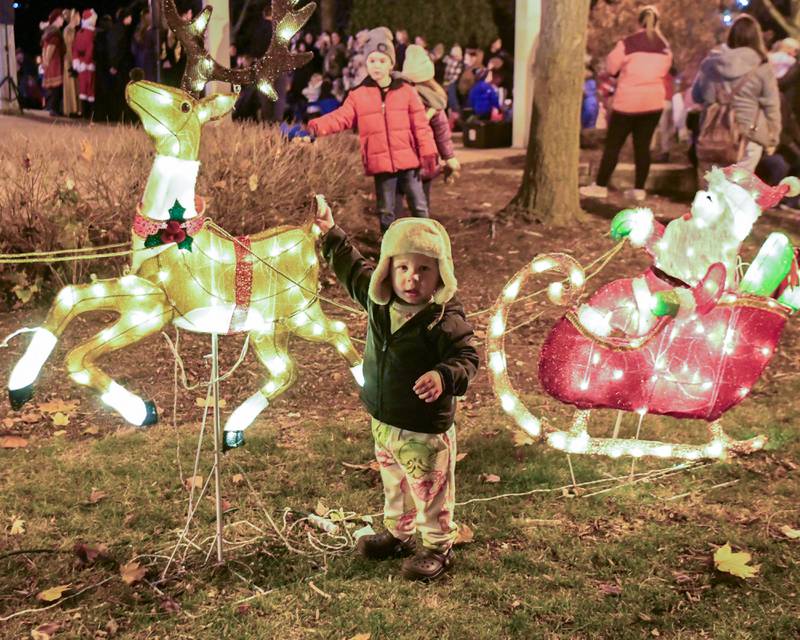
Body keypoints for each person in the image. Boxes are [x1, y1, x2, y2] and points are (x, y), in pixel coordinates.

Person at [314, 200, 479, 581]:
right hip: (384, 419)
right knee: (395, 481)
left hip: (424, 428)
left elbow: (467, 357)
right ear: (389, 269)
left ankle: (438, 546)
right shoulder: (379, 301)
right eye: (402, 268)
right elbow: (354, 268)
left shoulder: (444, 318)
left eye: (424, 269)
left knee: (428, 486)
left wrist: (443, 375)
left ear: (441, 274)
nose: (411, 278)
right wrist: (330, 231)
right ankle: (399, 533)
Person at [306, 27, 437, 234]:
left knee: (419, 206)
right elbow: (342, 117)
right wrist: (316, 125)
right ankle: (390, 250)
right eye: (372, 60)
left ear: (391, 64)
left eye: (382, 61)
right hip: (381, 163)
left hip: (408, 160)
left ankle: (429, 244)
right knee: (386, 211)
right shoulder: (358, 94)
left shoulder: (406, 91)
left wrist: (428, 151)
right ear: (366, 62)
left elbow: (420, 124)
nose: (377, 65)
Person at [580, 6, 672, 201]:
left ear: (638, 22)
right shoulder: (665, 47)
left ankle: (601, 185)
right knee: (643, 146)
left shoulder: (627, 44)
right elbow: (665, 70)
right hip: (653, 103)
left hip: (628, 103)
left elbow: (611, 66)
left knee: (613, 145)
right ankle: (639, 189)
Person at [691, 14, 781, 173]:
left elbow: (697, 96)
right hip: (749, 135)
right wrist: (772, 138)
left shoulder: (710, 64)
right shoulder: (762, 67)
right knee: (739, 189)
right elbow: (771, 106)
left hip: (713, 134)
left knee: (715, 188)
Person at [396, 44, 461, 214]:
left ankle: (402, 231)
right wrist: (449, 157)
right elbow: (442, 133)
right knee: (418, 201)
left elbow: (441, 130)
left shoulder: (428, 100)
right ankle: (415, 229)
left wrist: (449, 156)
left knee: (406, 199)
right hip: (420, 158)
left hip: (411, 157)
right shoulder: (434, 99)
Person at [73, 8, 97, 119]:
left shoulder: (79, 32)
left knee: (82, 88)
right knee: (90, 89)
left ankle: (84, 113)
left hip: (81, 64)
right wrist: (87, 61)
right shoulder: (91, 33)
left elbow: (75, 49)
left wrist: (77, 61)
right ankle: (91, 114)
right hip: (89, 63)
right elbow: (90, 49)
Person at [41, 9, 65, 116]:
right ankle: (53, 109)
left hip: (50, 62)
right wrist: (47, 60)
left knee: (53, 88)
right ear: (56, 19)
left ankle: (51, 107)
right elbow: (51, 47)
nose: (62, 21)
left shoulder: (48, 31)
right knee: (56, 87)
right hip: (54, 62)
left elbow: (44, 48)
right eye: (61, 18)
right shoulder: (54, 33)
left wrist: (45, 60)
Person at [62, 9, 80, 117]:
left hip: (71, 60)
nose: (80, 19)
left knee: (73, 85)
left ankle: (74, 109)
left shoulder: (72, 30)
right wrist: (72, 62)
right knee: (71, 86)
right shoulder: (69, 30)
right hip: (70, 60)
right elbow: (69, 47)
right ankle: (71, 109)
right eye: (78, 16)